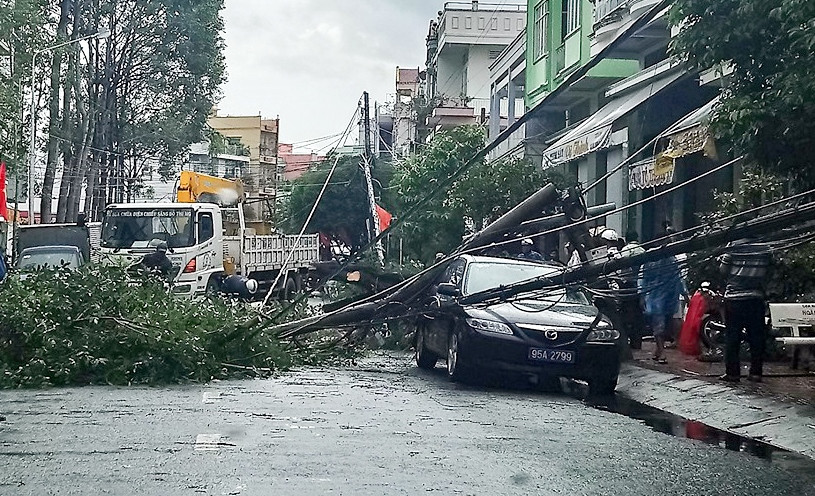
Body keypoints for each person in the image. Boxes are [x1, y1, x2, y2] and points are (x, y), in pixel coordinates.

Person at [717, 238, 772, 382]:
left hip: (734, 299)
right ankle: (756, 373)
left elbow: (723, 271)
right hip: (756, 298)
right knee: (756, 337)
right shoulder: (765, 248)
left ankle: (733, 373)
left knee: (732, 336)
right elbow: (769, 271)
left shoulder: (733, 246)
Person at [640, 245, 683, 363]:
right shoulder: (653, 259)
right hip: (660, 297)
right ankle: (660, 351)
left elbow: (678, 278)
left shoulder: (669, 259)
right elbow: (644, 278)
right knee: (659, 325)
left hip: (666, 296)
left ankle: (660, 350)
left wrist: (684, 293)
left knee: (662, 325)